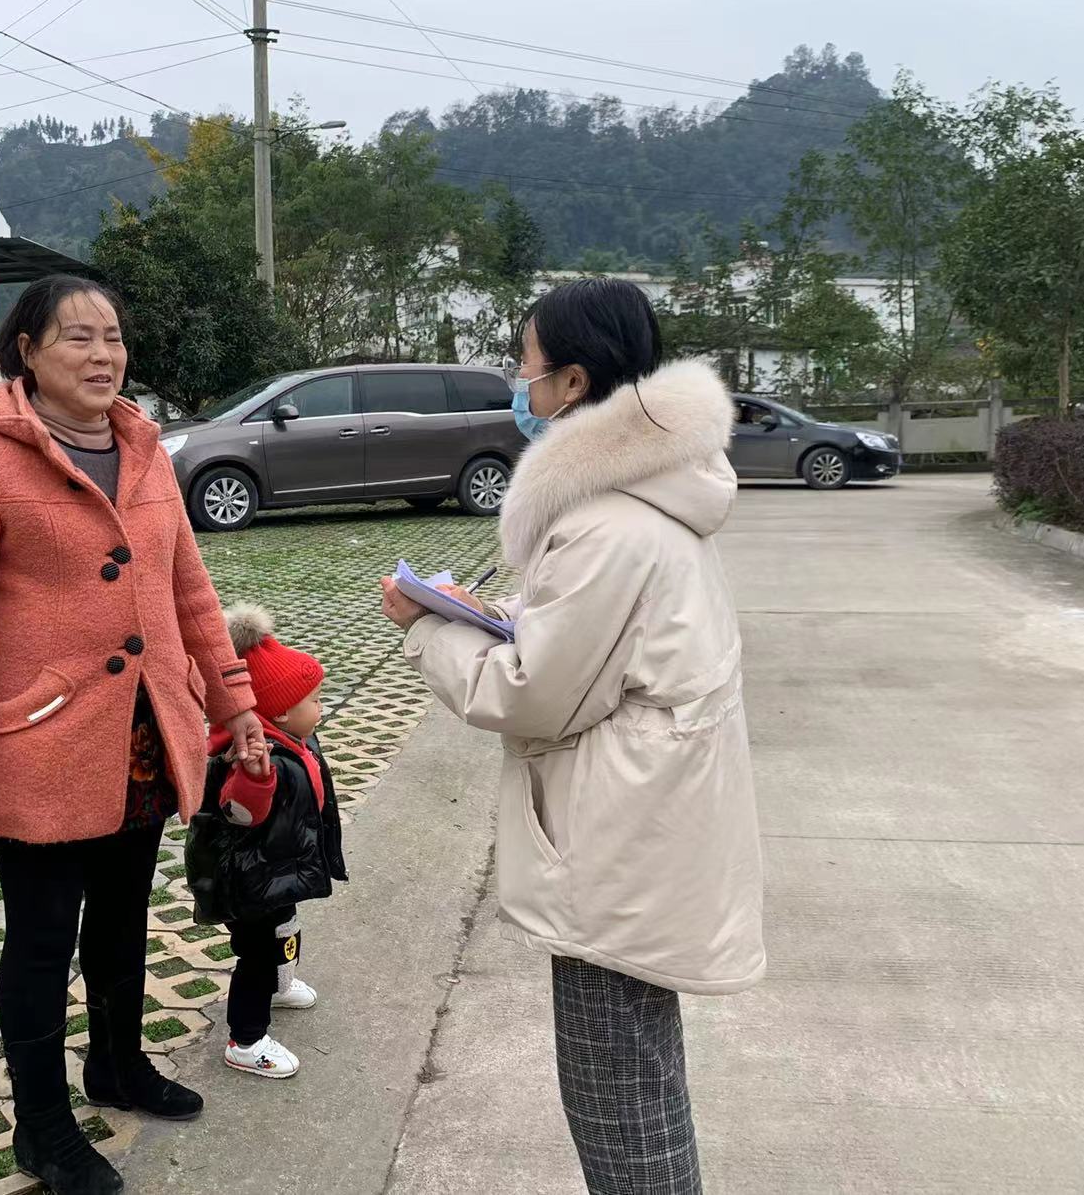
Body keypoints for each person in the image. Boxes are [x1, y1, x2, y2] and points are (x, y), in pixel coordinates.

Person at [379, 277, 764, 1195]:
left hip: (617, 842)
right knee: (639, 1077)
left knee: (617, 1099)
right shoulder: (651, 495)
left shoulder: (606, 524)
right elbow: (593, 643)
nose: (520, 382)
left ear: (574, 383)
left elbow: (533, 696)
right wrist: (501, 614)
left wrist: (426, 628)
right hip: (645, 823)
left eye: (527, 363)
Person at [0, 274, 269, 1195]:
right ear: (27, 350)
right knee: (42, 937)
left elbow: (189, 590)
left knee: (125, 917)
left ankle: (117, 1065)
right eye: (78, 338)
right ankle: (43, 1127)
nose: (104, 356)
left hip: (145, 734)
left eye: (113, 337)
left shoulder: (143, 449)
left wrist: (235, 704)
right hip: (42, 741)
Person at [185, 604, 346, 1081]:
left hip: (280, 872)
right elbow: (240, 812)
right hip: (251, 883)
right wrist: (257, 778)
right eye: (315, 700)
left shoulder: (296, 740)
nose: (321, 707)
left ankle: (281, 983)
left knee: (286, 928)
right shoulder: (250, 758)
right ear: (279, 712)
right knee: (255, 953)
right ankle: (247, 1039)